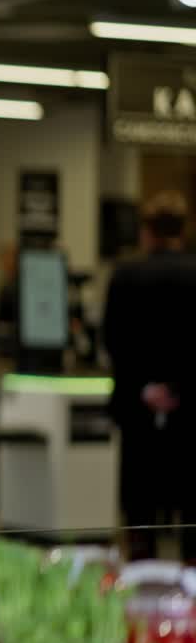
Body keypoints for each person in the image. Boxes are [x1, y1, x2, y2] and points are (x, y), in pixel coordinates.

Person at [103, 191, 196, 561]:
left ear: (147, 232)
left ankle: (142, 587)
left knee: (140, 509)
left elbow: (114, 340)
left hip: (137, 411)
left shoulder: (125, 276)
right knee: (191, 509)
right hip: (190, 415)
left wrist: (146, 388)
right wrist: (180, 389)